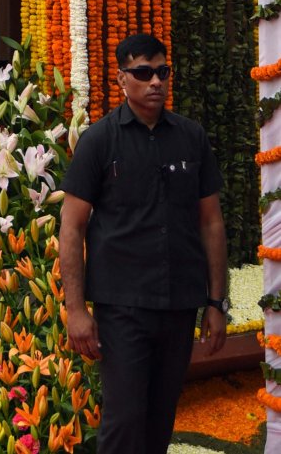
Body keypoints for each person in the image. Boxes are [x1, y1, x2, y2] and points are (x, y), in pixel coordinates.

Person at [59, 33, 228, 453]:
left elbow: (211, 224)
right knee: (124, 421)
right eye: (143, 72)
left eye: (162, 72)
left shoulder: (191, 137)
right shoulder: (99, 141)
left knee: (160, 420)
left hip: (178, 304)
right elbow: (71, 228)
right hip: (123, 308)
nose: (155, 82)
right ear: (122, 79)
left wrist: (216, 303)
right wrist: (76, 310)